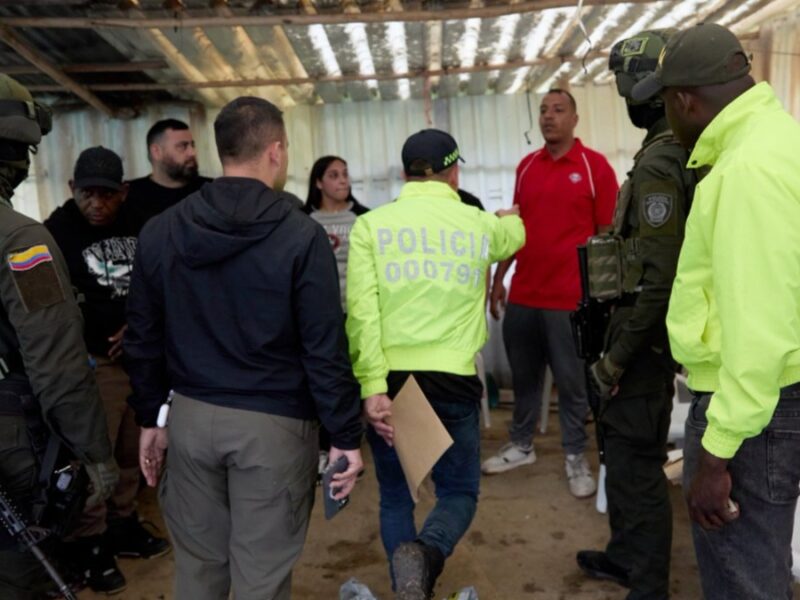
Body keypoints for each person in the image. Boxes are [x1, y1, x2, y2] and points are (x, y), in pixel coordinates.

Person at [124, 96, 364, 600]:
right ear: (275, 152)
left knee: (199, 571)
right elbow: (324, 346)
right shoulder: (302, 235)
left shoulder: (162, 230)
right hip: (272, 426)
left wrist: (152, 417)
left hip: (189, 417)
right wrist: (344, 435)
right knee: (261, 577)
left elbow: (143, 335)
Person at [632, 22, 800, 599]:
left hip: (753, 411)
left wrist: (717, 452)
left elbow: (758, 326)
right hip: (776, 395)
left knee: (746, 584)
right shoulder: (784, 141)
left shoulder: (743, 173)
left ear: (683, 100)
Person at [346, 128, 525, 599]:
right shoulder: (477, 223)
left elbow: (361, 313)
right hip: (451, 379)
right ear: (454, 171)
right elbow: (514, 236)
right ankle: (425, 555)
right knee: (459, 492)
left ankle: (409, 588)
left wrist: (371, 386)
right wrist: (510, 215)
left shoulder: (371, 227)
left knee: (396, 495)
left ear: (405, 173)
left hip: (392, 379)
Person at [575, 30, 697, 600]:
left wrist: (614, 361)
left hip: (640, 345)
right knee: (619, 456)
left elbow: (659, 279)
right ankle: (625, 556)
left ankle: (647, 585)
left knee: (638, 466)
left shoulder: (661, 161)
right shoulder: (662, 150)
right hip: (634, 335)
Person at [0, 74, 118, 599]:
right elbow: (58, 365)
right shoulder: (21, 239)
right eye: (24, 149)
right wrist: (95, 459)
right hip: (13, 442)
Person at [482, 89, 619, 499]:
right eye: (543, 110)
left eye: (558, 110)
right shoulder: (527, 167)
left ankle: (575, 455)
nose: (548, 117)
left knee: (573, 384)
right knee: (525, 378)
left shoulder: (595, 168)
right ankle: (521, 445)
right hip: (525, 293)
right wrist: (499, 279)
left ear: (575, 118)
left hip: (571, 300)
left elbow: (607, 236)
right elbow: (517, 229)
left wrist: (603, 298)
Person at [44, 147, 169, 594]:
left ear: (124, 192)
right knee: (93, 460)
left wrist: (137, 325)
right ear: (71, 189)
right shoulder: (54, 232)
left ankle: (122, 525)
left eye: (107, 195)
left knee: (132, 451)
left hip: (140, 360)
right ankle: (88, 545)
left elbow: (162, 281)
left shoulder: (142, 223)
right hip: (92, 365)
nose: (97, 204)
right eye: (88, 194)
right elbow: (50, 304)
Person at [303, 155, 369, 476]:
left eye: (345, 174)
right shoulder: (303, 221)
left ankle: (350, 448)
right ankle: (322, 448)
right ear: (318, 183)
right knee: (324, 382)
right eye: (334, 175)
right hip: (318, 319)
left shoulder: (365, 219)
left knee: (354, 385)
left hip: (357, 316)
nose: (343, 180)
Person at [124, 118, 212, 232]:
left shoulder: (211, 190)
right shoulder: (130, 195)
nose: (192, 153)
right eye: (182, 146)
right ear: (156, 151)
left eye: (192, 145)